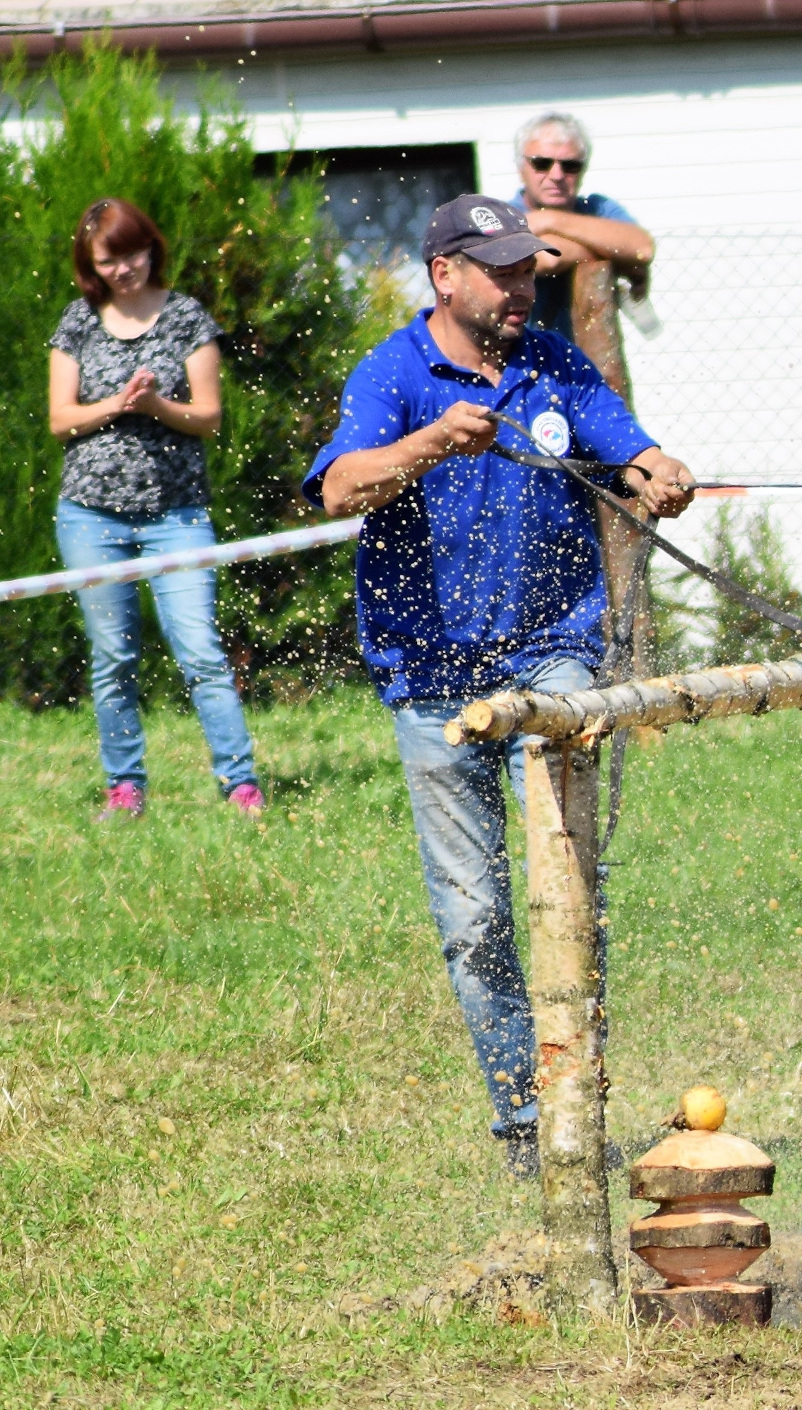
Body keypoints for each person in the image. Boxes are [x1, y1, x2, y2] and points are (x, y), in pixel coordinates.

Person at [305, 195, 697, 1177]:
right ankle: (526, 1125)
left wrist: (655, 471)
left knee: (564, 885)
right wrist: (431, 442)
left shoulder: (557, 360)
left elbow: (622, 439)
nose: (522, 286)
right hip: (431, 678)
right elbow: (339, 486)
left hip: (553, 653)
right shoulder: (393, 374)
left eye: (529, 269)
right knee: (476, 920)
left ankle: (581, 1103)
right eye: (502, 270)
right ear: (445, 275)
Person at [49, 198, 261, 820]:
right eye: (109, 259)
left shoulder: (187, 317)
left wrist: (157, 407)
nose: (124, 269)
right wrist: (118, 403)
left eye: (133, 253)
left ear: (152, 248)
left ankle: (240, 785)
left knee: (199, 651)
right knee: (113, 656)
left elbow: (209, 416)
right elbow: (62, 420)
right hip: (90, 514)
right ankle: (126, 788)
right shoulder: (77, 323)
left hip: (177, 515)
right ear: (91, 265)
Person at [508, 111, 652, 347]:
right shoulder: (503, 214)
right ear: (520, 167)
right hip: (525, 364)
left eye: (570, 166)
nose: (556, 175)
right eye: (542, 163)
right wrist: (617, 256)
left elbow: (642, 248)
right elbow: (547, 259)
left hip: (591, 363)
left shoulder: (597, 207)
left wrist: (549, 221)